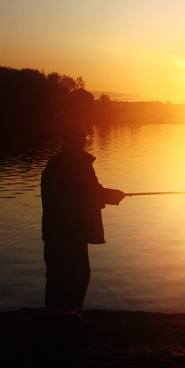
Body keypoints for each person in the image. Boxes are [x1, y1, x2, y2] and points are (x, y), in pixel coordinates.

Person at [41, 122, 125, 311]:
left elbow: (83, 194)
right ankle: (69, 317)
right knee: (78, 275)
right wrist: (113, 196)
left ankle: (57, 318)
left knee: (57, 278)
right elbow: (90, 193)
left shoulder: (54, 163)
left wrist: (107, 195)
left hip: (54, 232)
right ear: (77, 140)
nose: (86, 142)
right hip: (72, 232)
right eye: (85, 138)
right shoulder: (79, 164)